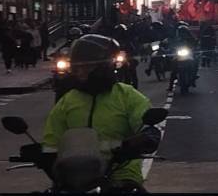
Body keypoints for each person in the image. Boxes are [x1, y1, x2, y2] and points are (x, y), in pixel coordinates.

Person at [42, 35, 160, 192]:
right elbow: (52, 137)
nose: (80, 72)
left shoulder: (127, 96)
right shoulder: (68, 100)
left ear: (104, 67)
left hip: (120, 174)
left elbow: (145, 122)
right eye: (77, 68)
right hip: (75, 176)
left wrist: (147, 136)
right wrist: (42, 154)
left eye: (87, 67)